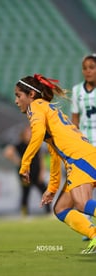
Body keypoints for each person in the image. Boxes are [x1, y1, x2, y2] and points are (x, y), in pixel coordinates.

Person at [14, 73, 96, 254]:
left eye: (18, 95)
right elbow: (54, 154)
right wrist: (52, 188)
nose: (16, 100)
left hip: (79, 158)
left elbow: (36, 135)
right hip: (84, 156)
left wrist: (25, 163)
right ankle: (94, 234)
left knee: (82, 203)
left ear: (31, 95)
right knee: (61, 208)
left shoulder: (35, 107)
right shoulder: (47, 109)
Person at [71, 53, 96, 241]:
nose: (88, 71)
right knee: (85, 185)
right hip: (86, 145)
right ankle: (88, 226)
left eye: (92, 67)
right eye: (85, 67)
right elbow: (75, 120)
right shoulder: (76, 90)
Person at [3, 125, 51, 216]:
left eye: (30, 133)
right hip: (25, 174)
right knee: (25, 192)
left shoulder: (35, 143)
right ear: (23, 134)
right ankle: (25, 213)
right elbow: (7, 152)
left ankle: (48, 211)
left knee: (44, 190)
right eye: (27, 133)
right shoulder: (19, 145)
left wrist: (42, 172)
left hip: (36, 172)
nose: (29, 134)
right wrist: (17, 161)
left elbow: (41, 159)